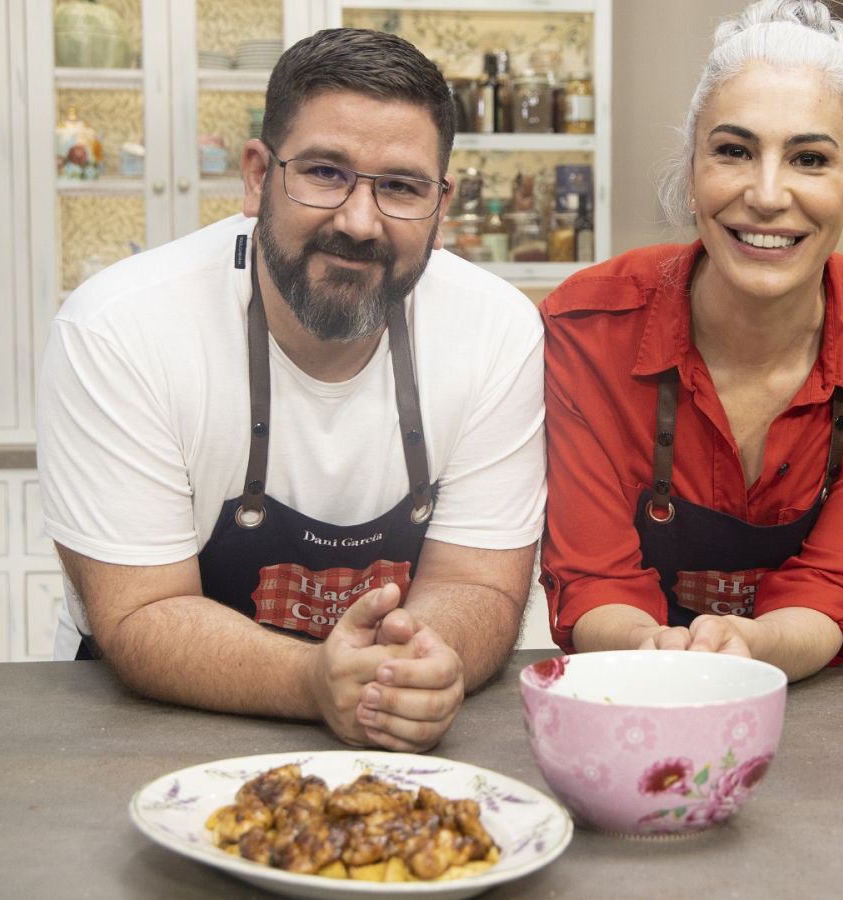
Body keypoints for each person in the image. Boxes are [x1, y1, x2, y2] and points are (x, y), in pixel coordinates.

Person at [37, 28, 546, 753]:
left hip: (399, 745)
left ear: (442, 207)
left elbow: (479, 583)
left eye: (401, 187)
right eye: (325, 172)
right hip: (142, 737)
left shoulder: (498, 332)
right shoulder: (121, 330)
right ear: (255, 176)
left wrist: (404, 671)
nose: (359, 221)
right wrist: (315, 680)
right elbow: (141, 610)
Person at [539, 0, 843, 680]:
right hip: (650, 672)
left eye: (810, 159)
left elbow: (831, 587)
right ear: (694, 173)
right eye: (733, 151)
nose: (766, 194)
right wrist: (661, 653)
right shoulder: (589, 328)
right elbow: (595, 580)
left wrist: (746, 652)